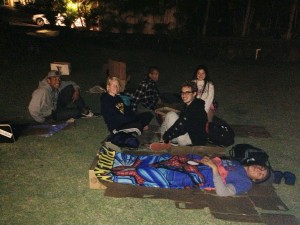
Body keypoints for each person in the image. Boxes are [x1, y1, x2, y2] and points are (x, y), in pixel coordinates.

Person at [95, 146, 272, 196]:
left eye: (261, 174)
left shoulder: (246, 183)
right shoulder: (237, 163)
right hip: (195, 163)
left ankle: (112, 173)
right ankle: (115, 159)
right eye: (262, 168)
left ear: (256, 180)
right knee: (159, 160)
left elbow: (224, 193)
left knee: (157, 175)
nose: (260, 170)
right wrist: (208, 159)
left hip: (198, 177)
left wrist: (213, 169)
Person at [28, 70, 93, 123]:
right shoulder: (42, 91)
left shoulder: (56, 84)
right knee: (76, 112)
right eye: (55, 79)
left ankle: (83, 109)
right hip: (50, 115)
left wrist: (76, 91)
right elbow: (32, 109)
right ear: (48, 80)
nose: (58, 81)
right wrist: (43, 120)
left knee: (70, 88)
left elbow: (71, 83)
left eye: (59, 79)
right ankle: (78, 111)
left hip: (55, 105)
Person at [161, 81, 207, 146]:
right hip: (188, 135)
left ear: (194, 94)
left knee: (170, 115)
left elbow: (181, 126)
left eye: (187, 92)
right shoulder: (190, 104)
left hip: (192, 141)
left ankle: (167, 140)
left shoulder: (196, 108)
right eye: (182, 92)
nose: (184, 95)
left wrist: (166, 137)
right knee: (167, 117)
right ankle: (167, 139)